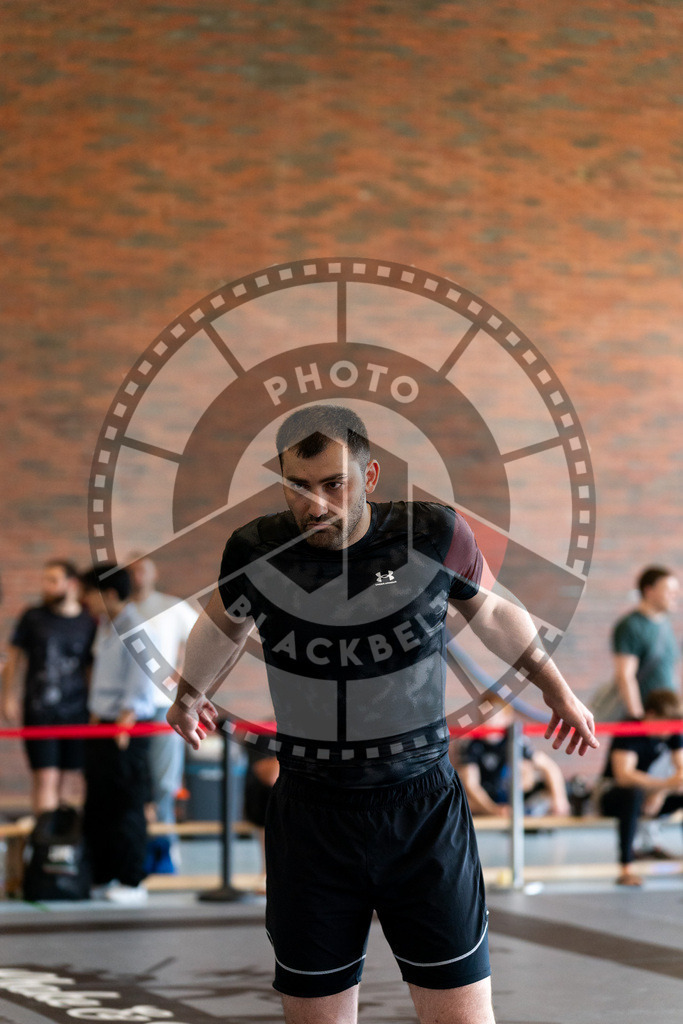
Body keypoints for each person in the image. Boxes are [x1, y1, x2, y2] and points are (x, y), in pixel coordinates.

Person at [167, 404, 598, 1024]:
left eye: (333, 484)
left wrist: (557, 689)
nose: (315, 504)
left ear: (368, 478)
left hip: (422, 809)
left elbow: (495, 613)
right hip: (312, 815)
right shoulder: (256, 549)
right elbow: (223, 623)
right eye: (299, 486)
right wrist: (190, 692)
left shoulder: (433, 533)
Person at [80, 565, 157, 904]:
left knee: (126, 804)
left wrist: (125, 719)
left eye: (88, 592)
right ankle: (102, 873)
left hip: (126, 727)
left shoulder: (136, 626)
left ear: (109, 593)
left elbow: (142, 678)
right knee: (99, 803)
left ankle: (131, 880)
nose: (84, 599)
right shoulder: (105, 627)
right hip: (102, 723)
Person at [0, 559, 96, 815]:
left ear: (71, 583)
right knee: (45, 778)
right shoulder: (33, 617)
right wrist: (8, 697)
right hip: (39, 709)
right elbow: (14, 658)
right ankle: (45, 845)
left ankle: (60, 841)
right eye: (45, 580)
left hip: (77, 710)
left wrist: (95, 709)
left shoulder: (88, 621)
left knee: (68, 779)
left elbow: (91, 669)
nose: (46, 586)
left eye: (53, 580)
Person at [129, 555, 198, 873]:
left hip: (161, 706)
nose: (137, 575)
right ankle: (135, 848)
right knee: (133, 782)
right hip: (128, 709)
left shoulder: (171, 607)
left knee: (163, 781)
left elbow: (202, 637)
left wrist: (182, 674)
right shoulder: (119, 610)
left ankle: (167, 848)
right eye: (130, 571)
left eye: (142, 568)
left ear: (154, 573)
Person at [599, 688, 683, 886]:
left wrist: (662, 791)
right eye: (664, 725)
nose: (668, 731)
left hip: (650, 795)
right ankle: (626, 868)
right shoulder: (629, 729)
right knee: (633, 793)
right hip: (613, 795)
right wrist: (662, 785)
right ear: (651, 715)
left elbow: (681, 772)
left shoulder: (672, 732)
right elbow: (624, 776)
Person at [454, 696, 571, 818]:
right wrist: (494, 810)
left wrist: (559, 799)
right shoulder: (471, 744)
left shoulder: (516, 739)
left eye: (492, 715)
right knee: (460, 799)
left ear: (506, 718)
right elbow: (470, 785)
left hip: (514, 798)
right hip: (485, 803)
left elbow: (549, 767)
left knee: (545, 789)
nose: (487, 721)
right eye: (483, 715)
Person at [613, 566, 680, 719]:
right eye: (669, 591)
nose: (675, 595)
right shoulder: (631, 625)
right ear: (649, 591)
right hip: (648, 718)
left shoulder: (664, 624)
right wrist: (638, 717)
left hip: (668, 715)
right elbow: (625, 675)